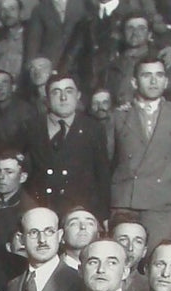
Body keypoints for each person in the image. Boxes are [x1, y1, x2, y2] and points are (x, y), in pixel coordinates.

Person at [109, 58, 171, 244]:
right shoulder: (119, 115)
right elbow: (106, 161)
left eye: (159, 75)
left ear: (166, 81)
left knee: (158, 253)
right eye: (146, 75)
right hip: (126, 200)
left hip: (163, 201)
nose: (154, 81)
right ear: (134, 82)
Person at [23, 73, 111, 220]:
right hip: (41, 210)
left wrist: (102, 216)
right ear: (46, 99)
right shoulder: (31, 127)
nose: (63, 98)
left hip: (79, 212)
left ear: (78, 96)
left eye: (69, 91)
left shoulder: (93, 129)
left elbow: (102, 175)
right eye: (56, 92)